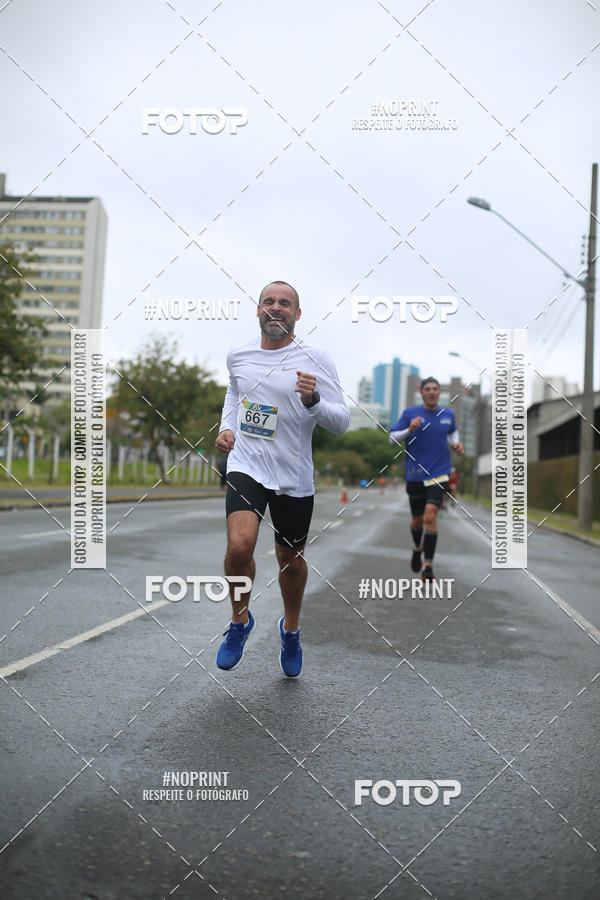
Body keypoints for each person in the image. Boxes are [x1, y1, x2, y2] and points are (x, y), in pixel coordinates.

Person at [214, 280, 349, 675]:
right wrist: (227, 429)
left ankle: (290, 629)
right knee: (240, 547)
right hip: (246, 463)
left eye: (285, 303)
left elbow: (340, 422)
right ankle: (240, 622)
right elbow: (233, 396)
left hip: (293, 474)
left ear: (297, 314)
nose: (276, 308)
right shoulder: (238, 356)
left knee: (289, 559)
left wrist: (313, 401)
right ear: (258, 310)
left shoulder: (316, 357)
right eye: (269, 302)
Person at [389, 377, 464, 580]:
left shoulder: (448, 414)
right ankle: (416, 547)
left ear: (440, 393)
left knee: (430, 515)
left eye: (435, 389)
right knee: (417, 520)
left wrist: (456, 444)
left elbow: (452, 432)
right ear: (421, 392)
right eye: (428, 389)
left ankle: (428, 565)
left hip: (439, 472)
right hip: (415, 474)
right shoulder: (410, 413)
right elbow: (391, 439)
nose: (431, 392)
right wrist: (409, 430)